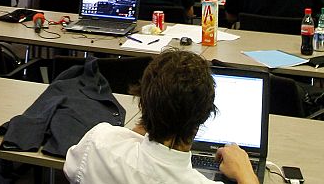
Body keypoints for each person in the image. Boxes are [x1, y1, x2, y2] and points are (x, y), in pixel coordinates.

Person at [64, 50, 259, 184]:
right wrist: (246, 172)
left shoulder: (98, 142)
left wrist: (150, 120)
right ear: (204, 116)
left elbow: (71, 169)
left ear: (142, 104)